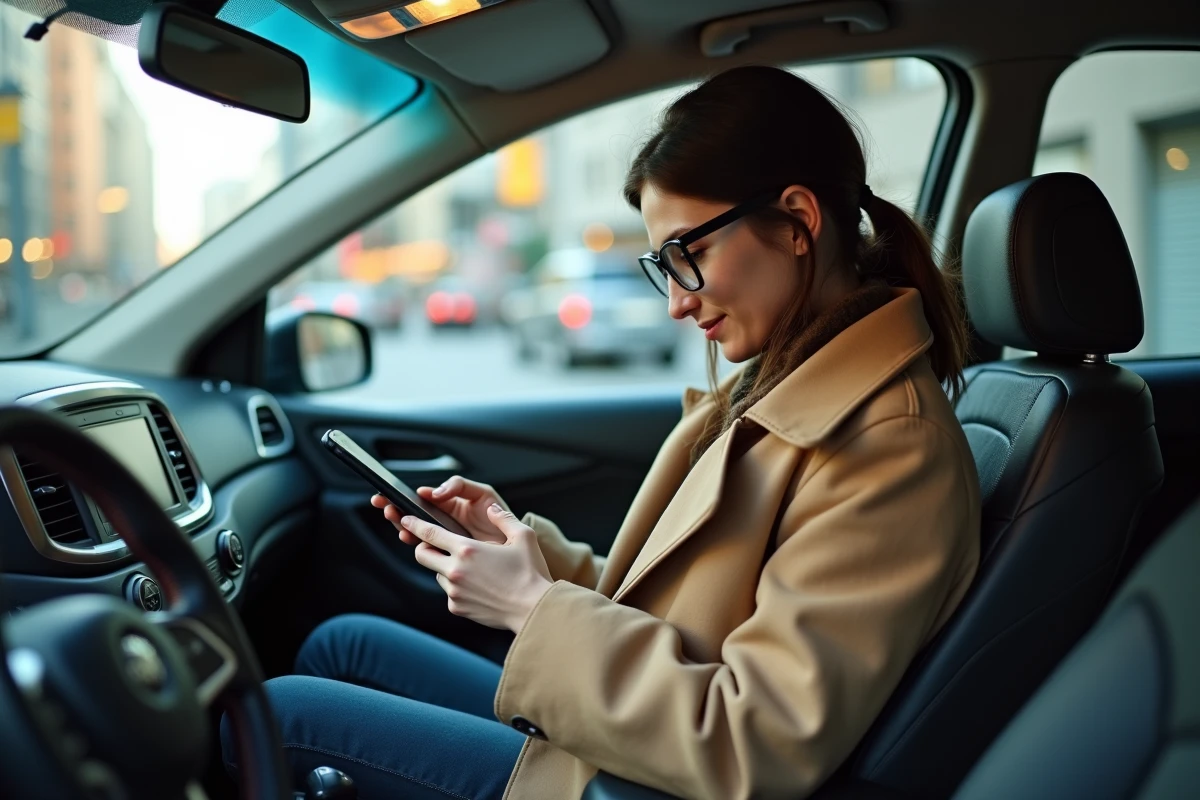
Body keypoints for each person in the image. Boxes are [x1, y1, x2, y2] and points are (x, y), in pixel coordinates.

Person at [222, 64, 981, 800]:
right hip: (627, 738)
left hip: (636, 777)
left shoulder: (890, 448)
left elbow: (754, 743)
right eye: (664, 264)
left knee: (283, 718)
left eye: (691, 254)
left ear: (797, 222)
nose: (677, 302)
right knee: (344, 644)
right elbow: (672, 612)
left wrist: (529, 606)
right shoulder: (783, 379)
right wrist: (523, 553)